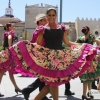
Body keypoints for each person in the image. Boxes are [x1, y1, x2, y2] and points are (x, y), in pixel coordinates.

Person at [0, 8, 99, 100]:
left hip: (60, 58)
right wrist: (27, 45)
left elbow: (68, 43)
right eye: (49, 15)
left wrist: (82, 45)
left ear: (56, 16)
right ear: (46, 17)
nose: (51, 17)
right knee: (54, 82)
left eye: (53, 15)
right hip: (49, 58)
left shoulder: (62, 28)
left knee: (54, 82)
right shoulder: (42, 29)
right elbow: (38, 43)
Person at [22, 14, 51, 100]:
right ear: (39, 22)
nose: (46, 21)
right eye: (44, 20)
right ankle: (28, 90)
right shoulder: (41, 29)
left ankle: (42, 95)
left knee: (43, 75)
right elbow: (39, 42)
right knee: (44, 75)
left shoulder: (37, 30)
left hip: (40, 54)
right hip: (42, 54)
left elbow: (32, 42)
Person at [77, 26, 100, 100]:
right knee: (89, 77)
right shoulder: (91, 37)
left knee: (87, 77)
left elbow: (75, 46)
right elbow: (99, 42)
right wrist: (95, 49)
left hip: (83, 59)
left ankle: (89, 93)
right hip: (90, 58)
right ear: (89, 31)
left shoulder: (80, 38)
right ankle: (85, 95)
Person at [0, 23, 21, 97]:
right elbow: (9, 38)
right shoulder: (10, 33)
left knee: (10, 72)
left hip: (4, 52)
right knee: (2, 72)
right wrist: (10, 47)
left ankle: (16, 87)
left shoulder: (5, 33)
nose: (14, 27)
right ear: (9, 27)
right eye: (12, 26)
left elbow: (3, 43)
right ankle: (16, 88)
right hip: (7, 53)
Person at [62, 28, 75, 96]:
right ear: (66, 31)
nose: (69, 32)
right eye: (69, 30)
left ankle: (67, 90)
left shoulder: (66, 37)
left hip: (65, 57)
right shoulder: (65, 37)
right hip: (65, 58)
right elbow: (66, 45)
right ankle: (67, 91)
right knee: (66, 74)